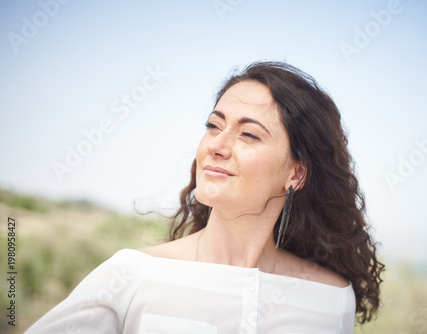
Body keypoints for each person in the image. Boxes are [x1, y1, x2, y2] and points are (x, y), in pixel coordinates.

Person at [26, 61, 384, 333]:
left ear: (296, 173)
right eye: (214, 125)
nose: (217, 145)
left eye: (248, 134)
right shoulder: (133, 275)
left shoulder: (332, 299)